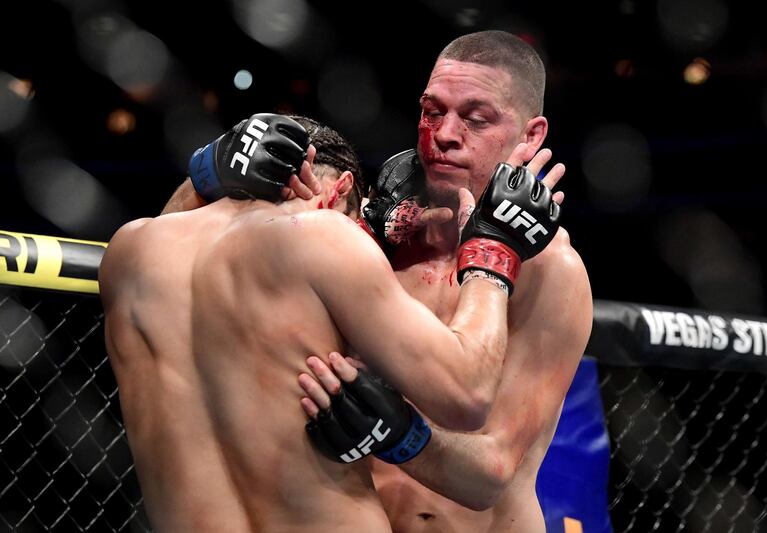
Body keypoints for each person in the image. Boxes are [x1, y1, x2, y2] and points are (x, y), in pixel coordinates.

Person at [99, 113, 561, 532]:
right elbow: (468, 394)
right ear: (339, 190)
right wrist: (493, 249)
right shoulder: (326, 236)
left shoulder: (129, 253)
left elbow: (178, 230)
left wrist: (205, 169)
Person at [299, 30, 593, 532]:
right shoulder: (375, 234)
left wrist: (392, 433)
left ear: (531, 135)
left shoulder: (550, 269)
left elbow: (491, 474)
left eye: (476, 119)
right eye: (433, 111)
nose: (445, 134)